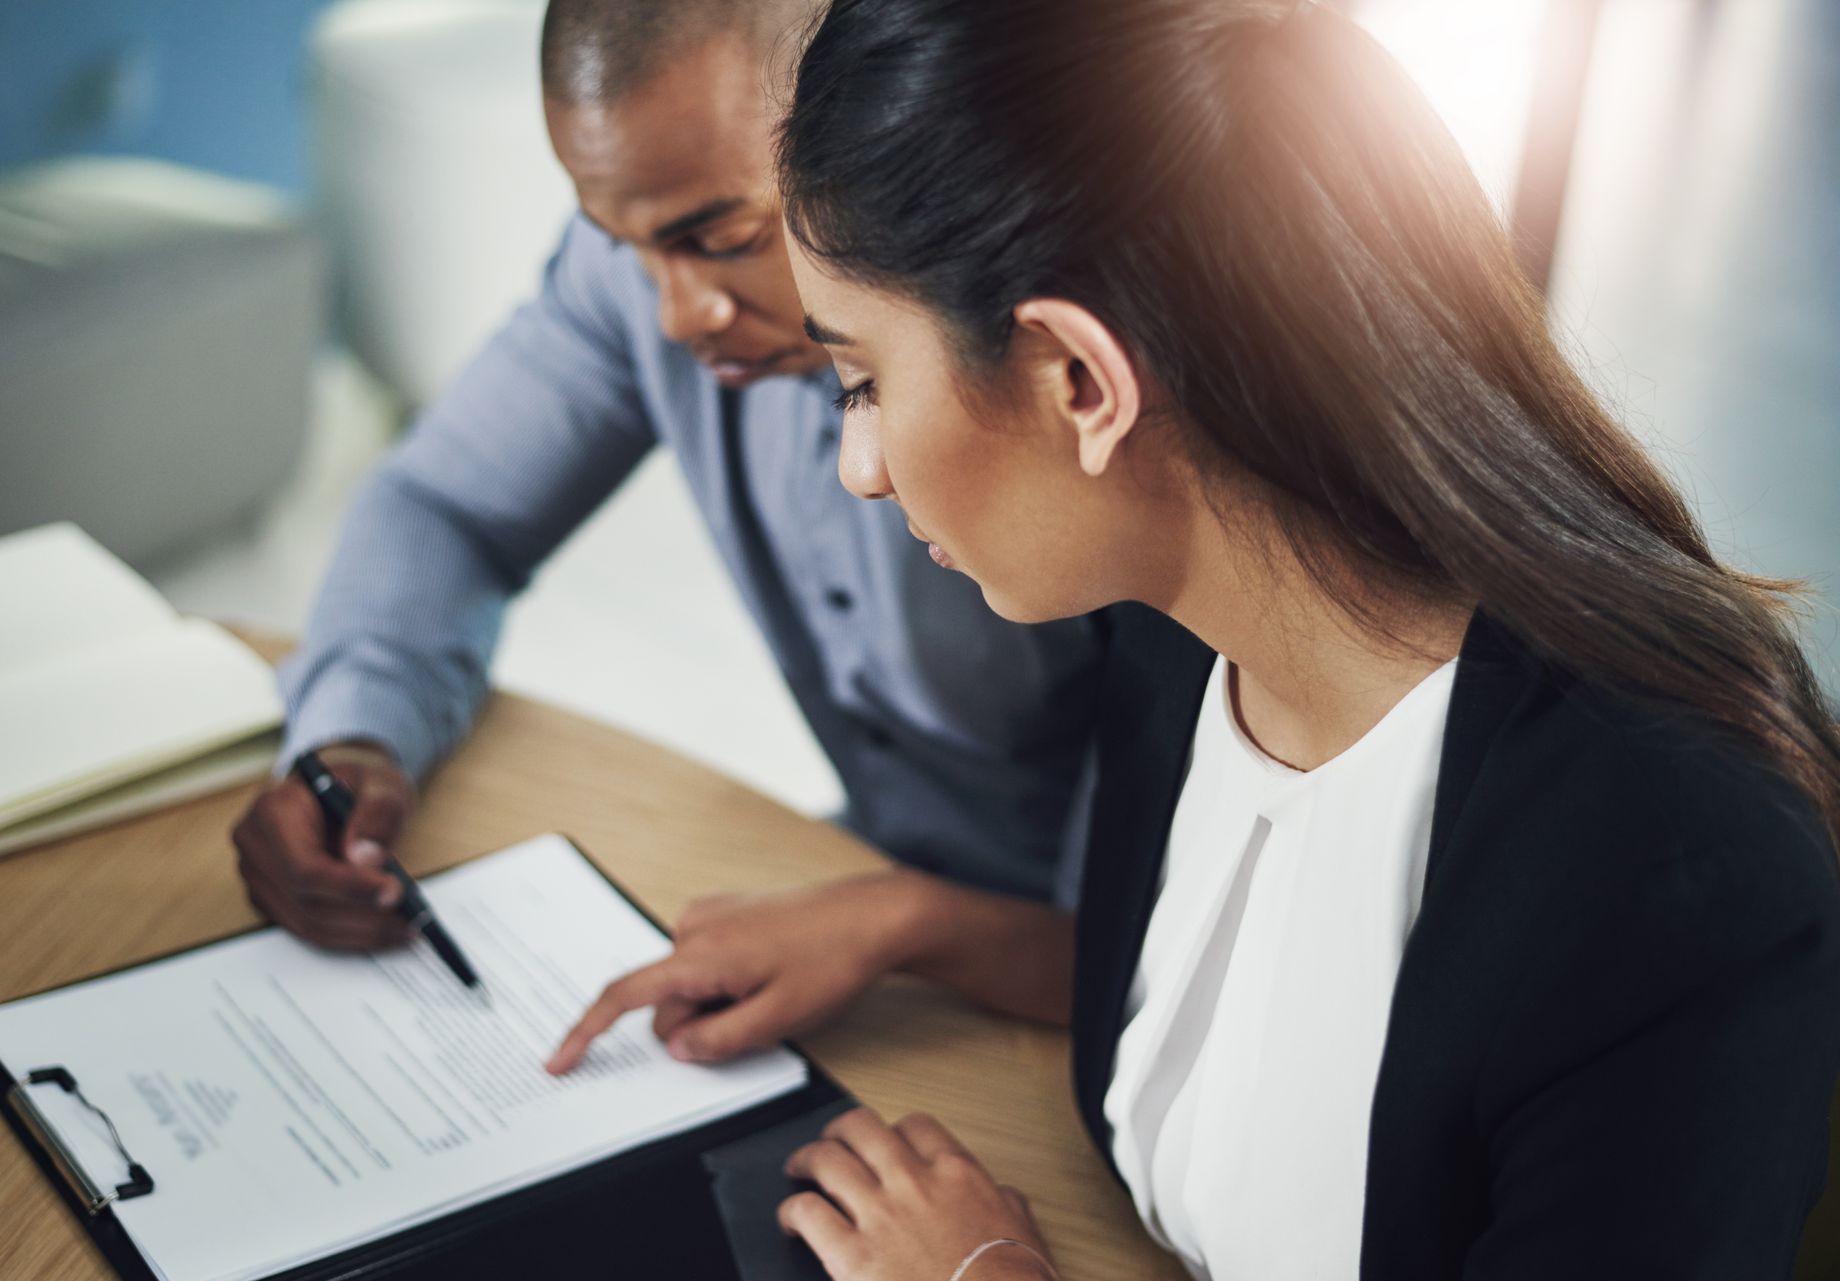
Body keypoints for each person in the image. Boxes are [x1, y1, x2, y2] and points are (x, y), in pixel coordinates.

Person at [554, 0, 1840, 1277]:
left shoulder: (1666, 868)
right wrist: (909, 925)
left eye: (863, 382)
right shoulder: (1180, 636)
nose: (862, 470)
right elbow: (1240, 1021)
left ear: (1079, 382)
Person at [230, 0, 1107, 1056]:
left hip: (1093, 996)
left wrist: (909, 924)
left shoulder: (1068, 384)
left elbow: (1177, 953)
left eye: (719, 240)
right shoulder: (653, 279)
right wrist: (352, 735)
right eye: (627, 248)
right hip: (871, 896)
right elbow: (446, 504)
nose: (674, 315)